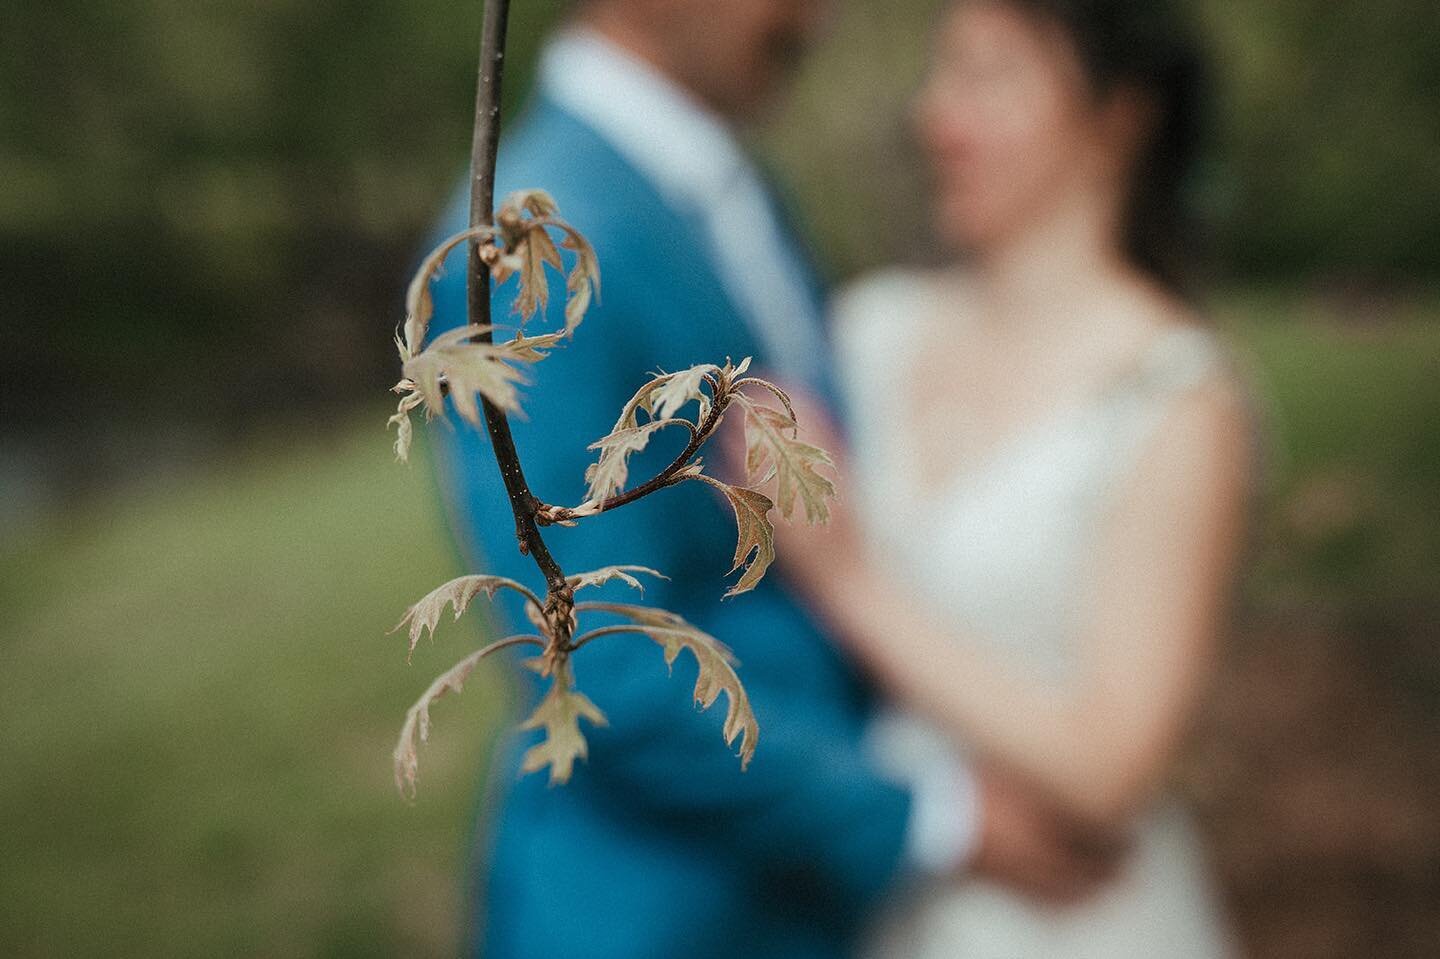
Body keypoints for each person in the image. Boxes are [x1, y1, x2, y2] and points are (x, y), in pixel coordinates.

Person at [421, 1, 1117, 956]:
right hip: (654, 917)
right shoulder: (522, 243)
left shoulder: (736, 186)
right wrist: (933, 822)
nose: (818, 16)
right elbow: (599, 658)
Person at [773, 0, 1252, 956]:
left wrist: (852, 583)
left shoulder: (1176, 397)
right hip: (869, 902)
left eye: (988, 75)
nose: (935, 116)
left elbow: (1117, 764)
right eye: (940, 73)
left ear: (1119, 117)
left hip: (1073, 920)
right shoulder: (870, 331)